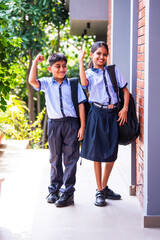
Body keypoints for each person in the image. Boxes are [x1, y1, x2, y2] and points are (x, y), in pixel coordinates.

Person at [29, 53, 86, 207]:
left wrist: (82, 126)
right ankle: (54, 189)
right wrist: (35, 61)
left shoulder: (74, 84)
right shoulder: (47, 83)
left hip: (71, 124)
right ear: (50, 68)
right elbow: (32, 80)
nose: (62, 69)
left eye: (64, 66)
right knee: (54, 158)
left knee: (70, 159)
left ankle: (68, 193)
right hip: (54, 125)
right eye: (58, 66)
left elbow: (81, 105)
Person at [78, 41, 129, 207]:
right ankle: (99, 190)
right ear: (92, 55)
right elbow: (84, 84)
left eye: (104, 54)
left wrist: (125, 109)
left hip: (113, 114)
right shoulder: (89, 74)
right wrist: (80, 60)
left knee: (112, 152)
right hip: (97, 114)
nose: (101, 57)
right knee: (98, 153)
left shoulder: (113, 71)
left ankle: (104, 186)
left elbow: (125, 91)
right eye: (98, 53)